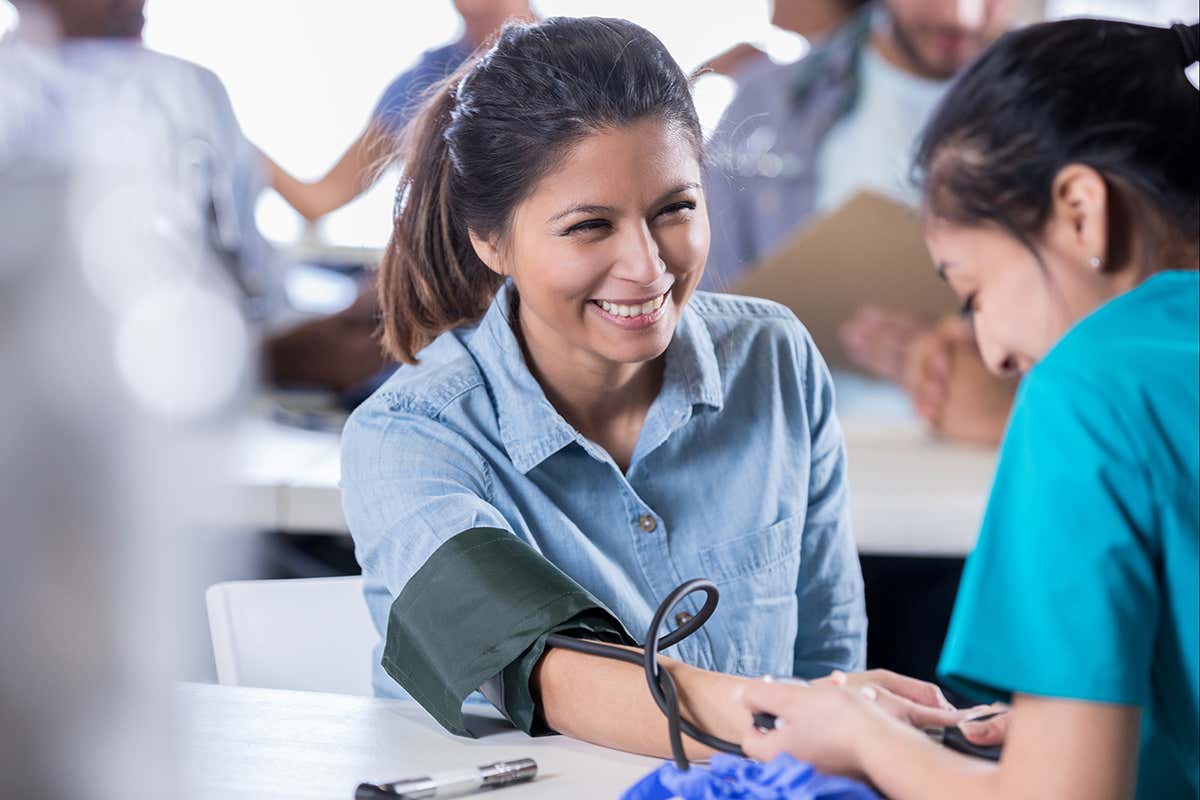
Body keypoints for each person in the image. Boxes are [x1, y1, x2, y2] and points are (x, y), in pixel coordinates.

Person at [340, 16, 966, 758]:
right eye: (589, 227)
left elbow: (826, 652)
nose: (646, 266)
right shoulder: (408, 436)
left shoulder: (773, 359)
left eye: (675, 209)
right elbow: (543, 665)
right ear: (491, 240)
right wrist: (795, 721)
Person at [736, 18, 1199, 799]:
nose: (989, 353)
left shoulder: (1083, 393)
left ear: (1083, 211)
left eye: (973, 292)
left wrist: (864, 737)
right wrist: (1096, 722)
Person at [7, 0, 386, 392]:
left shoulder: (192, 88)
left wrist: (335, 321)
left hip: (238, 365)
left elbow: (251, 277)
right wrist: (267, 358)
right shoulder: (15, 104)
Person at [702, 0, 1024, 445]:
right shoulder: (767, 103)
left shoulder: (1057, 119)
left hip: (983, 461)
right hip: (796, 451)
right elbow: (699, 313)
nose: (962, 15)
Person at [259, 0, 534, 224]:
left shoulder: (568, 62)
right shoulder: (424, 79)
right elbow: (321, 198)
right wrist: (228, 136)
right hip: (447, 275)